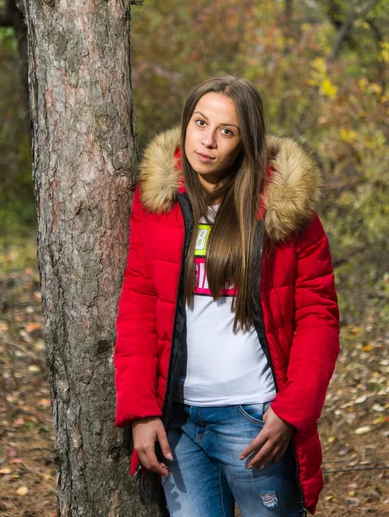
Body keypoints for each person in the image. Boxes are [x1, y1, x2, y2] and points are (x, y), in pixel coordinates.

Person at [113, 75, 340, 516]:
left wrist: (292, 412)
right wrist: (142, 412)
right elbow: (138, 307)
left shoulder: (284, 213)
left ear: (246, 142)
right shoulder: (157, 205)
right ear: (185, 123)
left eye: (226, 131)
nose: (208, 141)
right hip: (178, 424)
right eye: (200, 123)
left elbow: (319, 317)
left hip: (254, 422)